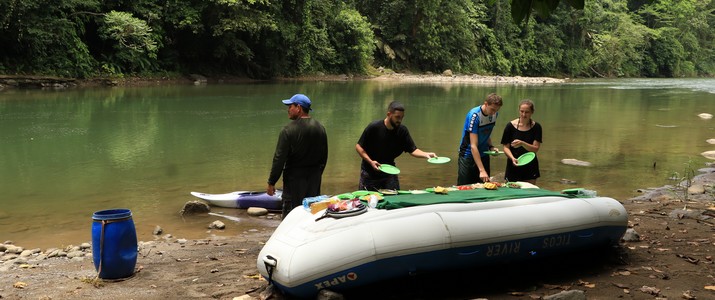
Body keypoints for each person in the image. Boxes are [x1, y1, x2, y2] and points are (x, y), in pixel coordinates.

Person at [267, 94, 328, 218]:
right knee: (311, 216)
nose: (288, 110)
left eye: (290, 106)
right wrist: (317, 175)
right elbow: (324, 157)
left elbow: (279, 159)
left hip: (293, 182)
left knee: (291, 217)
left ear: (298, 108)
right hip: (314, 181)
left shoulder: (288, 130)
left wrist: (271, 182)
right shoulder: (320, 128)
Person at [355, 100, 436, 191]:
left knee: (395, 198)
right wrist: (370, 161)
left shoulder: (402, 131)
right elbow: (359, 147)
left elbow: (412, 150)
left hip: (390, 171)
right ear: (389, 114)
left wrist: (426, 155)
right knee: (367, 201)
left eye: (402, 117)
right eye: (397, 117)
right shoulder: (374, 127)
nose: (400, 120)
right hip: (370, 172)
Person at [457, 93, 503, 185]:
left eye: (496, 110)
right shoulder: (475, 116)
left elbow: (486, 131)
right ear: (486, 104)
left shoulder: (494, 114)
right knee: (464, 187)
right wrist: (481, 170)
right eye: (492, 109)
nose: (494, 113)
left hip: (484, 154)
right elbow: (473, 146)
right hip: (468, 155)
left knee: (485, 186)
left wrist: (491, 147)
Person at [501, 99, 542, 184]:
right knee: (510, 192)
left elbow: (535, 149)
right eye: (522, 111)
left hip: (530, 164)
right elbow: (505, 147)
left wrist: (522, 143)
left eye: (527, 112)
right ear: (519, 111)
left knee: (530, 192)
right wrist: (512, 158)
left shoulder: (536, 127)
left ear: (532, 112)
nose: (523, 114)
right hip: (514, 164)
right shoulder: (510, 126)